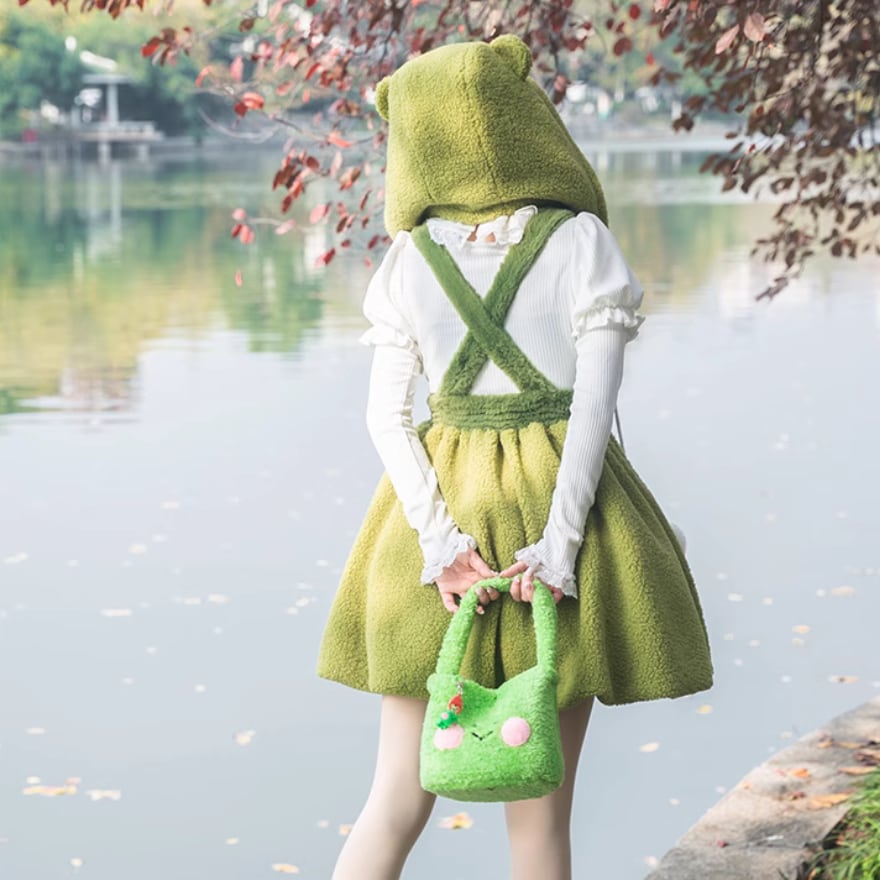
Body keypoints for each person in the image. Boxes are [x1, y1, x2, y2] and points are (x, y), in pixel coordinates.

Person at [316, 34, 713, 880]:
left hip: (436, 513)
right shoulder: (579, 243)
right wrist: (558, 549)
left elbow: (386, 417)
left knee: (394, 798)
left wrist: (439, 545)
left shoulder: (408, 260)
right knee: (540, 819)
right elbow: (592, 412)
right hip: (556, 507)